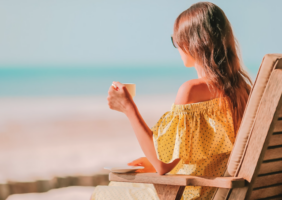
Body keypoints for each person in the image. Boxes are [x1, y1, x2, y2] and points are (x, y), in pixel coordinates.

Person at [91, 2, 252, 200]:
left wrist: (128, 108)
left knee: (106, 193)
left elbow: (161, 165)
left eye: (175, 40)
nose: (176, 46)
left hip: (192, 193)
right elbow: (209, 154)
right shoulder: (243, 90)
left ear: (193, 43)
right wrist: (158, 161)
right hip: (222, 191)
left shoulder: (191, 90)